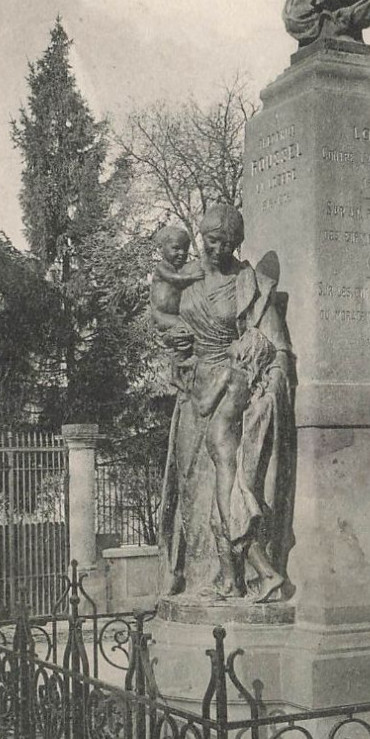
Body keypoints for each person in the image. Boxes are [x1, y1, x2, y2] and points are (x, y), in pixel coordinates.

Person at [157, 205, 296, 604]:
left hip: (229, 385)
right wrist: (176, 350)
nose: (211, 248)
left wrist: (270, 386)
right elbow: (166, 318)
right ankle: (200, 577)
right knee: (189, 483)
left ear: (235, 243)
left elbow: (275, 347)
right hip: (192, 388)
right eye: (207, 240)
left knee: (225, 481)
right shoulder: (190, 279)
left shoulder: (249, 285)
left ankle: (233, 577)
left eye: (220, 242)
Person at [150, 225, 203, 390]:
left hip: (173, 315)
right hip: (161, 315)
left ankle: (179, 371)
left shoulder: (179, 268)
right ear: (161, 249)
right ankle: (176, 374)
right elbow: (175, 279)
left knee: (183, 336)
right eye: (175, 248)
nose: (181, 253)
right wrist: (192, 277)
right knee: (185, 330)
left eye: (185, 249)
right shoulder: (162, 267)